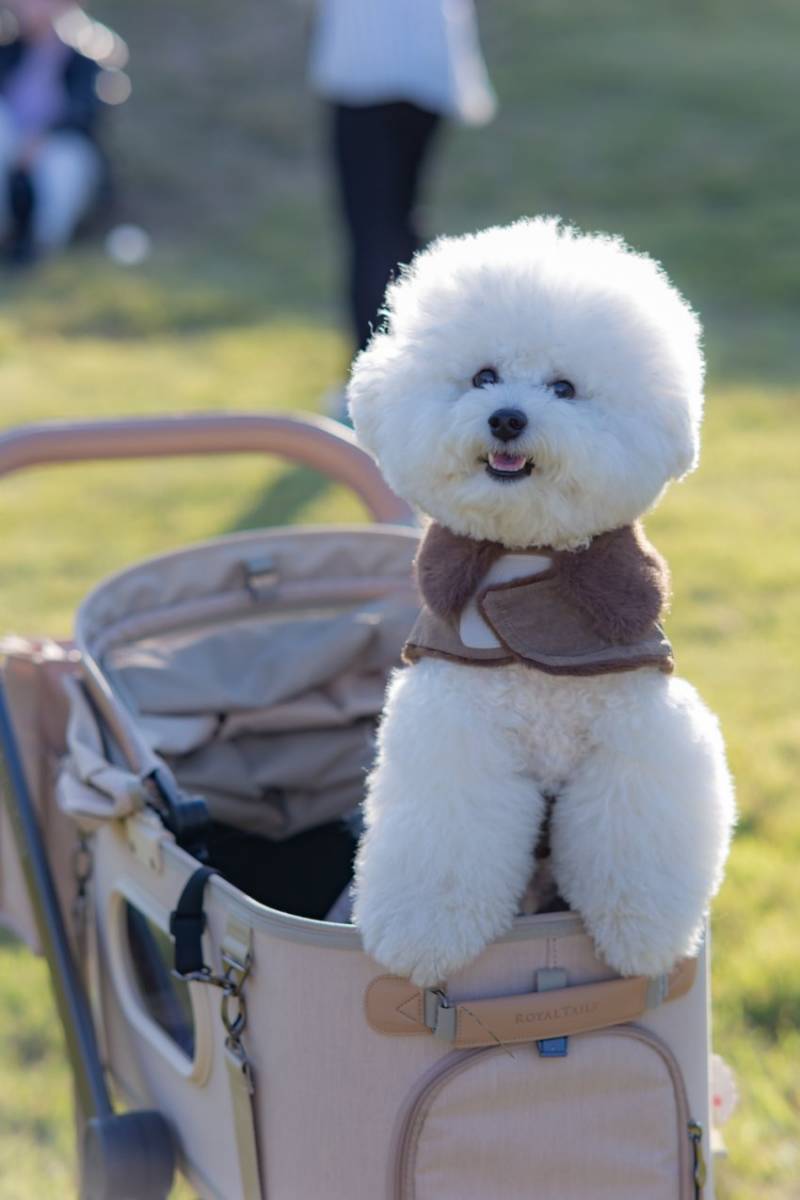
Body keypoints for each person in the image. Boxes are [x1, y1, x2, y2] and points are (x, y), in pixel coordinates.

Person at [309, 0, 496, 353]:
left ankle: (375, 370)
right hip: (427, 64)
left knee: (375, 233)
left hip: (362, 66)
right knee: (399, 227)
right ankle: (410, 360)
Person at [0, 0, 105, 263]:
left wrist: (40, 139)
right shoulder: (8, 53)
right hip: (9, 143)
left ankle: (40, 245)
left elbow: (84, 114)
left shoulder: (85, 60)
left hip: (56, 146)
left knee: (62, 167)